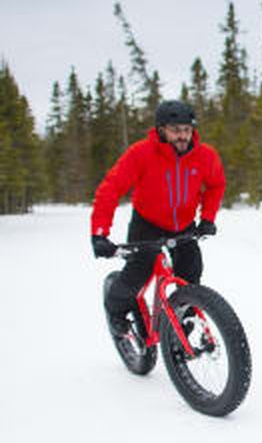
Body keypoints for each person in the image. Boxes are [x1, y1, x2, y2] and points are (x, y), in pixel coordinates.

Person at [90, 100, 226, 336]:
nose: (182, 136)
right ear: (161, 130)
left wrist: (207, 218)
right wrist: (99, 233)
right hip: (147, 224)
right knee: (138, 273)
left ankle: (181, 323)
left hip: (183, 226)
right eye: (176, 130)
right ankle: (116, 310)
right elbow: (110, 189)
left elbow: (216, 185)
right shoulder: (141, 153)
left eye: (187, 130)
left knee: (191, 272)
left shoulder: (205, 156)